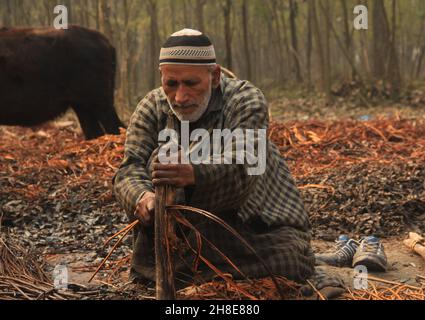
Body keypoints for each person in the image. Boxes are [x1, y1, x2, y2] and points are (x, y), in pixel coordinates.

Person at [113, 28, 342, 296]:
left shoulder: (245, 100)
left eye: (191, 83)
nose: (180, 97)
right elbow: (129, 168)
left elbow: (243, 166)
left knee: (288, 259)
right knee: (156, 266)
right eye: (171, 84)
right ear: (161, 78)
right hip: (182, 236)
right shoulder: (151, 106)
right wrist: (142, 197)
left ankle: (309, 270)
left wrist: (194, 174)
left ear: (215, 76)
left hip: (249, 225)